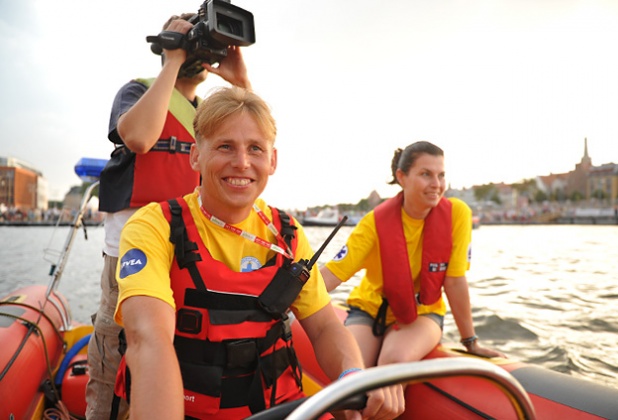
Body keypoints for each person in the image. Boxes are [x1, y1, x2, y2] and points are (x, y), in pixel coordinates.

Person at [112, 87, 403, 419]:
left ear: (272, 160)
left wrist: (351, 375)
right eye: (225, 146)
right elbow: (148, 337)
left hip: (280, 408)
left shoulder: (288, 233)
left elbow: (324, 327)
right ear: (196, 155)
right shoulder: (154, 225)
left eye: (255, 149)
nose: (242, 163)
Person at [85, 13, 252, 419]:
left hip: (190, 250)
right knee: (117, 348)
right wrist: (172, 61)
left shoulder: (210, 111)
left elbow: (254, 144)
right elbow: (139, 137)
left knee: (177, 350)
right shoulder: (138, 92)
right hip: (131, 250)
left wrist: (240, 84)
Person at [321, 141, 506, 390]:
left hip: (421, 313)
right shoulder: (373, 223)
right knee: (350, 378)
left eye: (441, 175)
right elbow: (332, 275)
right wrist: (284, 299)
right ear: (402, 177)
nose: (436, 184)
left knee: (391, 364)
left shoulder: (458, 214)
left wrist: (470, 342)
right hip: (369, 310)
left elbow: (454, 281)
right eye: (425, 174)